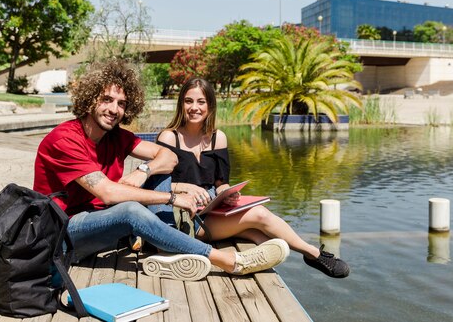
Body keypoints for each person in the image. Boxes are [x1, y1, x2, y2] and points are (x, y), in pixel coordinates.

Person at [33, 61, 289, 282]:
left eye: (121, 103)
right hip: (63, 235)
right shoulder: (64, 139)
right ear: (90, 99)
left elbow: (168, 156)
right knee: (130, 209)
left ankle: (166, 247)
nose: (114, 109)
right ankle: (229, 261)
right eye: (106, 100)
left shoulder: (117, 137)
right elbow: (109, 194)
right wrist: (173, 197)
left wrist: (143, 170)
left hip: (101, 227)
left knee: (159, 172)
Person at [152, 77, 350, 278]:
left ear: (210, 105)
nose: (194, 107)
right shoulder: (169, 137)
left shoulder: (217, 137)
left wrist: (227, 195)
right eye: (188, 101)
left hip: (212, 210)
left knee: (258, 234)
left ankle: (269, 261)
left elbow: (221, 182)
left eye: (201, 102)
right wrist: (184, 187)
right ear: (181, 104)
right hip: (184, 218)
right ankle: (313, 253)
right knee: (260, 216)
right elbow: (155, 187)